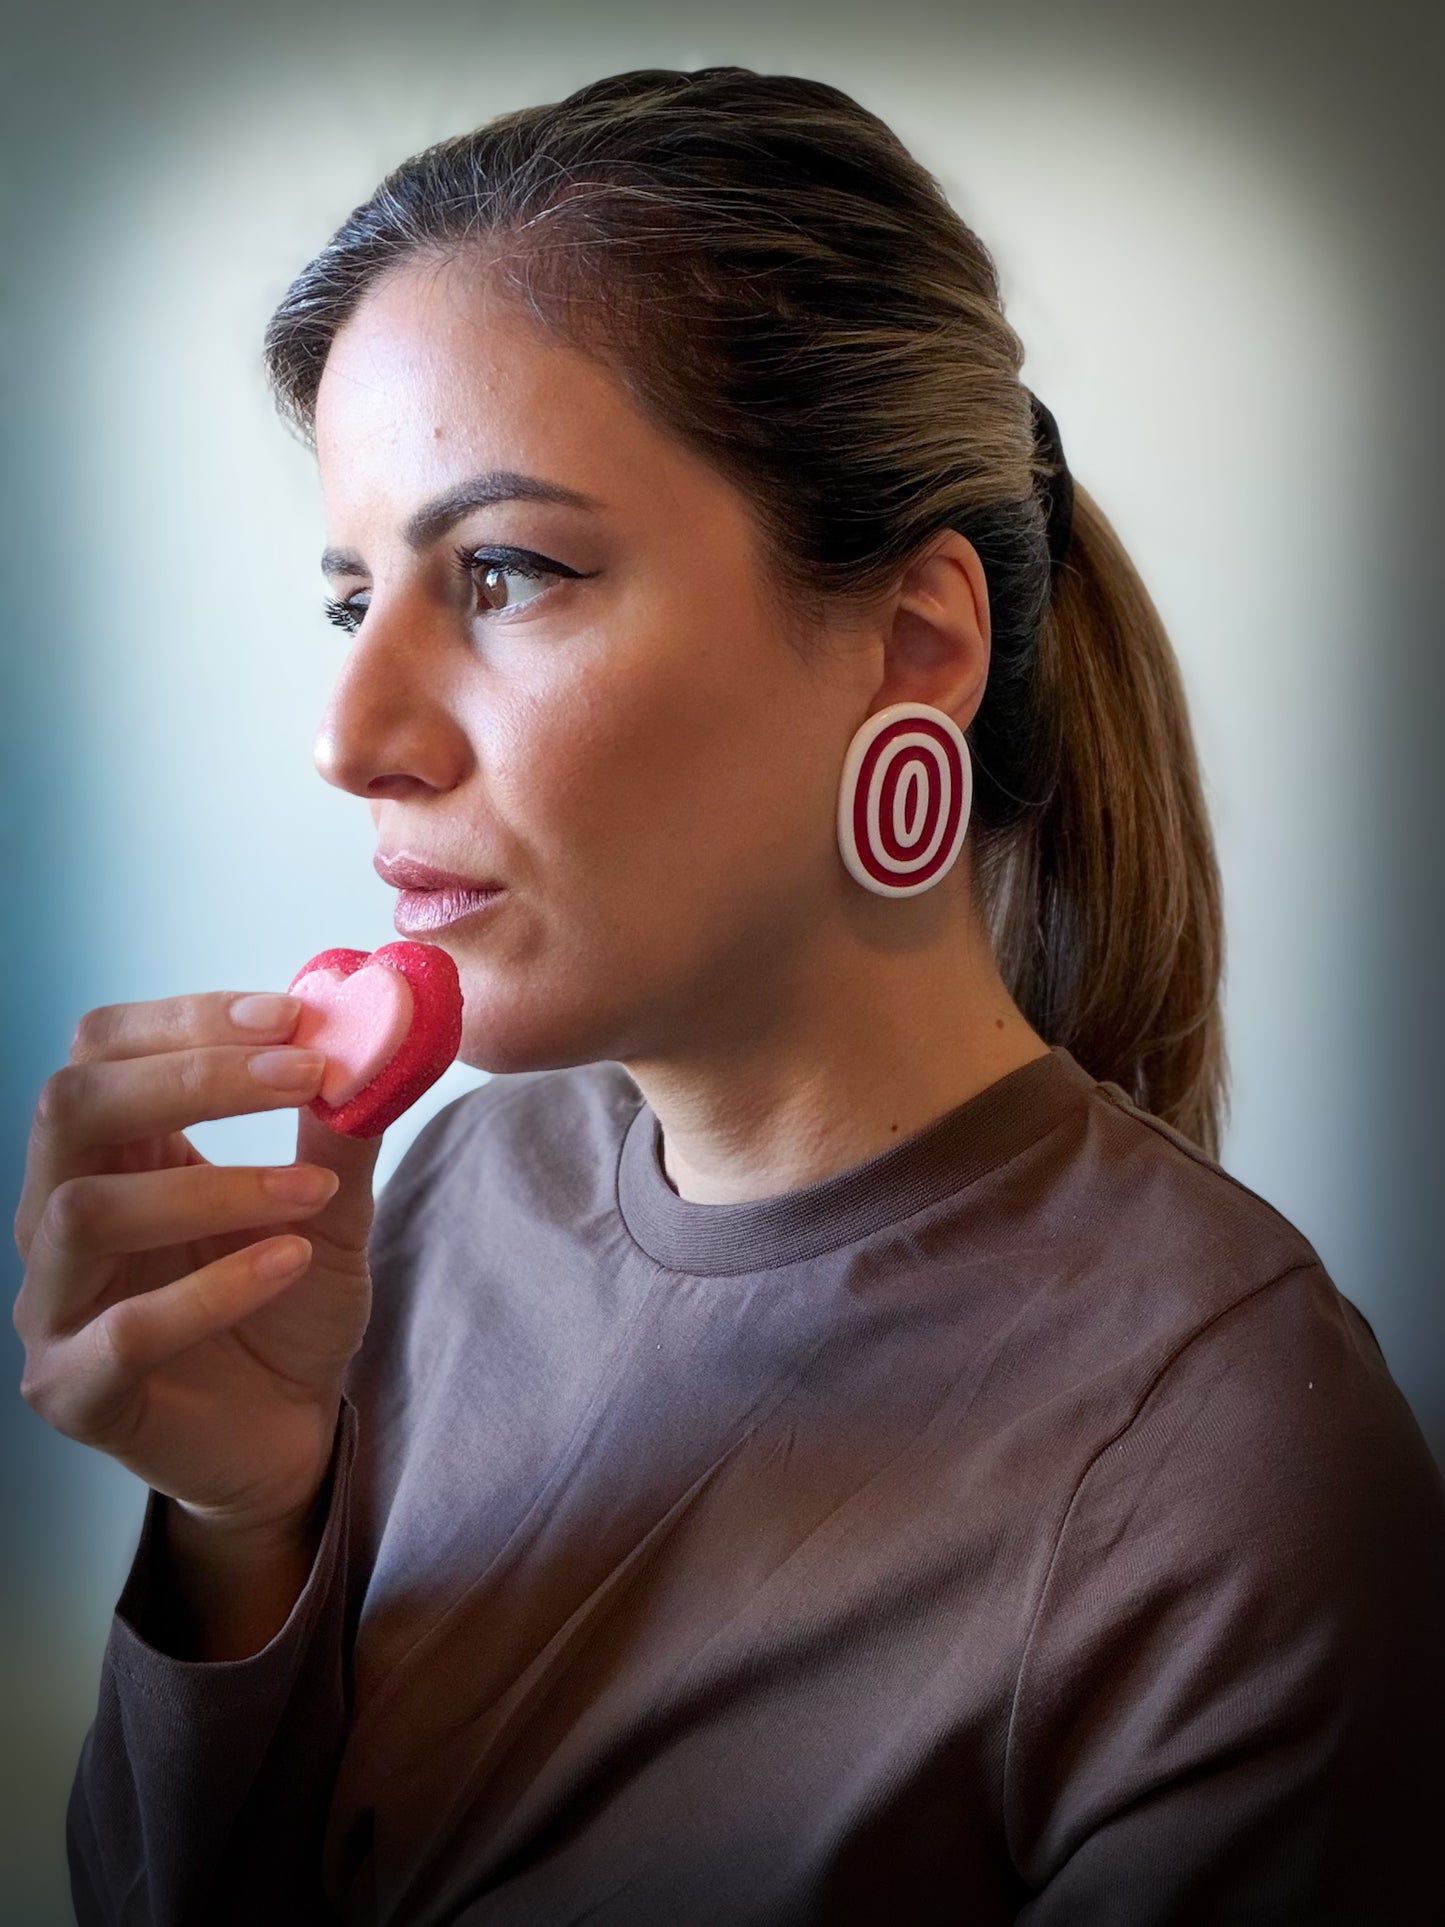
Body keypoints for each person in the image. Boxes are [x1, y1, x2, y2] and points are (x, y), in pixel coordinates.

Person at [15, 65, 1444, 1927]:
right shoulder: (441, 1206)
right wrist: (238, 1529)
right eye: (351, 597)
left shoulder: (1230, 1472)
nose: (349, 737)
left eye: (506, 572)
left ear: (911, 644)